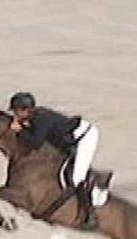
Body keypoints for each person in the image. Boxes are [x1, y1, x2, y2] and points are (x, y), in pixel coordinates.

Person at [8, 92, 111, 230]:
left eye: (16, 111)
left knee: (76, 178)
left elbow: (36, 143)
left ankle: (90, 213)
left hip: (84, 138)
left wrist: (19, 130)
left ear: (25, 110)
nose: (15, 115)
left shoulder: (40, 119)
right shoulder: (35, 117)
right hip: (70, 140)